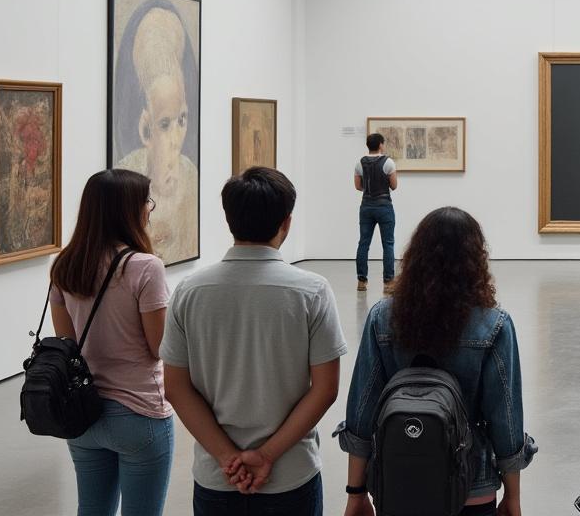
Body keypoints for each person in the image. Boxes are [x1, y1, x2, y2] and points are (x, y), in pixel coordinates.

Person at [162, 167, 346, 515]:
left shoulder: (189, 292)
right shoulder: (312, 292)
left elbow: (176, 388)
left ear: (229, 219)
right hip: (290, 475)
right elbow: (325, 389)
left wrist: (226, 457)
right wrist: (265, 455)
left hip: (218, 477)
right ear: (286, 223)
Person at [340, 207, 536, 516]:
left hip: (399, 481)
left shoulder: (382, 317)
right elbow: (506, 421)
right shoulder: (494, 324)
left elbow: (362, 411)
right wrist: (513, 496)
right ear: (476, 259)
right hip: (472, 486)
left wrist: (355, 492)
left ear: (415, 255)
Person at [48, 169, 174, 516]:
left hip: (83, 413)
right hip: (139, 413)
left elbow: (67, 347)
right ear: (128, 210)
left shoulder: (64, 265)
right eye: (146, 202)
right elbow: (158, 348)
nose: (150, 209)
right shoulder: (146, 267)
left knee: (92, 509)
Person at [113, 0, 200, 264]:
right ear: (145, 129)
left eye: (182, 120)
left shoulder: (190, 177)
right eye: (165, 124)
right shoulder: (126, 177)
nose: (176, 140)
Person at [354, 133, 398, 294]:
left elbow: (358, 186)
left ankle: (361, 281)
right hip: (384, 206)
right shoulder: (388, 162)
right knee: (388, 244)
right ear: (380, 144)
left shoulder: (359, 162)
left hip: (366, 206)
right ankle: (388, 283)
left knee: (363, 243)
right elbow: (394, 185)